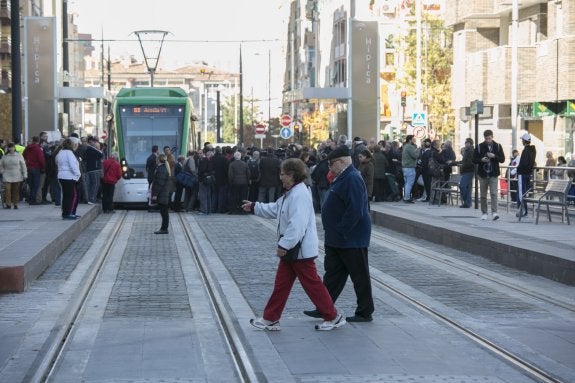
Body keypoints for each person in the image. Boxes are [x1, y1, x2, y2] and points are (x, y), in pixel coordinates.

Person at [242, 158, 345, 331]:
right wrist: (255, 207)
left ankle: (332, 316)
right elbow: (276, 209)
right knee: (282, 285)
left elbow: (297, 225)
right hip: (295, 251)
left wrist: (284, 245)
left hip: (299, 251)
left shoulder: (299, 195)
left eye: (283, 174)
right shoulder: (293, 192)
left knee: (312, 285)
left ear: (292, 175)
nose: (280, 177)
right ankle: (270, 318)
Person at [303, 146, 374, 323]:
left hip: (351, 238)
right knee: (333, 275)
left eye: (331, 164)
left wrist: (342, 230)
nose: (329, 167)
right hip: (337, 239)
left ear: (342, 161)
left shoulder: (352, 177)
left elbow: (356, 209)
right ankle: (324, 307)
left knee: (359, 275)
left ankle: (365, 312)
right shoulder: (342, 177)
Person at [472, 129, 505, 221]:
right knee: (483, 194)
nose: (488, 140)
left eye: (489, 138)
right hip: (482, 174)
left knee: (494, 193)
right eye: (486, 139)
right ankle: (484, 212)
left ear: (492, 137)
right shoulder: (479, 146)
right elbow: (473, 159)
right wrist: (481, 160)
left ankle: (494, 212)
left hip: (493, 174)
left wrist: (494, 156)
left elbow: (502, 159)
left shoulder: (497, 146)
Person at [56, 138, 81, 220]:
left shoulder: (60, 152)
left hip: (61, 175)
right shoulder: (69, 153)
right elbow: (73, 165)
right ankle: (68, 213)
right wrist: (78, 174)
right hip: (69, 176)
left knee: (66, 195)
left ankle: (65, 212)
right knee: (70, 195)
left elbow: (56, 162)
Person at [0, 143, 27, 209]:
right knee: (7, 190)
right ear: (8, 148)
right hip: (7, 174)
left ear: (14, 148)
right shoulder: (5, 156)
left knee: (16, 190)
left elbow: (23, 165)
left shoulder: (19, 155)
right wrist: (2, 171)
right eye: (10, 147)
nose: (11, 149)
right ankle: (8, 204)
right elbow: (1, 165)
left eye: (12, 147)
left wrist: (25, 174)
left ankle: (15, 203)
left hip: (16, 174)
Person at [516, 133, 536, 217]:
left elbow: (523, 163)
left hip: (522, 173)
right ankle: (525, 211)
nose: (521, 142)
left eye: (522, 140)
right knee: (525, 192)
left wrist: (518, 169)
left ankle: (522, 210)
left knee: (521, 193)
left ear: (524, 141)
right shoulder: (533, 150)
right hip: (528, 173)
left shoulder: (525, 150)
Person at [22, 136, 46, 205]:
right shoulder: (38, 149)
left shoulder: (27, 148)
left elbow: (23, 155)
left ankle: (30, 199)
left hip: (28, 168)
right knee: (36, 185)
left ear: (32, 140)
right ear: (38, 141)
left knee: (31, 184)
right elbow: (41, 159)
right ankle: (32, 200)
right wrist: (43, 167)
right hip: (36, 168)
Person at [151, 154, 171, 234]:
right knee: (164, 212)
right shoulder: (162, 168)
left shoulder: (161, 169)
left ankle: (164, 229)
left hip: (162, 194)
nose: (156, 160)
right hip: (163, 193)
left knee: (164, 212)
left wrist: (155, 194)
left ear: (159, 160)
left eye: (156, 159)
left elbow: (159, 183)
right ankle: (164, 228)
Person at [458, 138, 474, 208]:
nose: (466, 144)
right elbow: (463, 161)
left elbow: (468, 162)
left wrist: (464, 165)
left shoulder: (470, 151)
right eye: (465, 143)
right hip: (468, 171)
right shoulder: (467, 150)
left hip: (468, 171)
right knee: (468, 188)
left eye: (467, 143)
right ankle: (468, 203)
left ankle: (467, 201)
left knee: (462, 185)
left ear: (470, 143)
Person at [401, 135, 418, 203]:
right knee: (409, 183)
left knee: (406, 183)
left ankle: (406, 197)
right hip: (409, 167)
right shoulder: (409, 147)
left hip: (405, 167)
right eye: (413, 139)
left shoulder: (405, 146)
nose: (415, 140)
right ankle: (407, 198)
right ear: (410, 140)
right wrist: (417, 151)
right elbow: (415, 156)